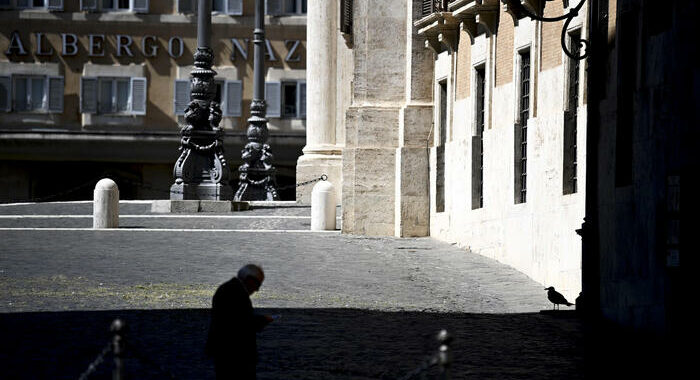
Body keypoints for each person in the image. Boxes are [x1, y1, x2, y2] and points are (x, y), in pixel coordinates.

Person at [206, 264, 273, 379]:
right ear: (249, 279)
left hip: (224, 353)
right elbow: (241, 324)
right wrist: (262, 320)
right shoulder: (237, 293)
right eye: (258, 284)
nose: (257, 289)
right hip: (236, 356)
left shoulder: (226, 288)